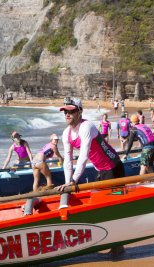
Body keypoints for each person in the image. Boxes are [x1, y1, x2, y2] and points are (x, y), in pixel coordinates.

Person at [55, 97, 125, 256]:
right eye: (65, 111)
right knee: (100, 205)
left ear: (79, 112)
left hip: (114, 168)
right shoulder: (66, 133)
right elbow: (68, 159)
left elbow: (83, 156)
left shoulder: (87, 126)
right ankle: (114, 243)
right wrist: (67, 184)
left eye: (71, 111)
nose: (67, 114)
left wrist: (73, 181)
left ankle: (118, 245)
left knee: (112, 207)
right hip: (101, 171)